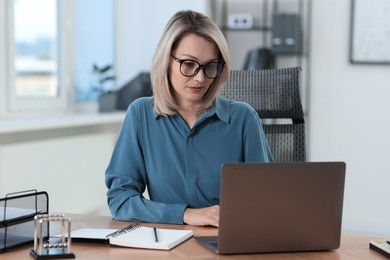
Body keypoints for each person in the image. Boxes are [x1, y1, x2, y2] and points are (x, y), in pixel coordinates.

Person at [105, 10, 273, 227]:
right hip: (166, 243)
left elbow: (266, 199)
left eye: (210, 66)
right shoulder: (141, 115)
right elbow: (121, 200)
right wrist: (185, 215)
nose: (200, 78)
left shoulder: (243, 118)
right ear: (166, 61)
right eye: (189, 64)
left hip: (226, 241)